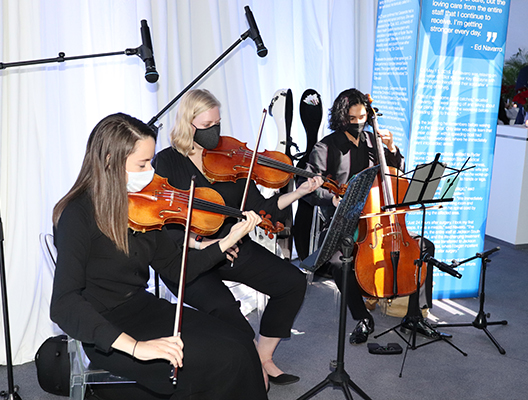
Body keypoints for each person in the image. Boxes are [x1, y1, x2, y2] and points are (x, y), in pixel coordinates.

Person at [50, 113, 268, 400]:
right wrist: (137, 347)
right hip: (110, 332)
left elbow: (176, 267)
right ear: (108, 160)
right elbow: (64, 304)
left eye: (150, 163)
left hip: (145, 309)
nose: (150, 173)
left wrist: (225, 241)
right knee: (222, 361)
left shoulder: (141, 207)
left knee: (240, 342)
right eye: (141, 164)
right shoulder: (78, 215)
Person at [152, 89, 323, 386]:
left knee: (292, 282)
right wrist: (204, 244)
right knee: (227, 310)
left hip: (231, 246)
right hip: (189, 256)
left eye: (218, 123)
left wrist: (297, 193)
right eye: (207, 126)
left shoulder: (228, 158)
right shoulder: (166, 162)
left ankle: (263, 356)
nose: (215, 132)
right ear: (187, 123)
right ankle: (247, 365)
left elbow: (260, 208)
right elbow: (162, 223)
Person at [297, 88, 442, 345]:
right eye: (352, 119)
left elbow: (395, 175)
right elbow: (307, 185)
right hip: (342, 222)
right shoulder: (326, 147)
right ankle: (362, 316)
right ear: (342, 119)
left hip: (379, 222)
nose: (359, 123)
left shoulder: (371, 141)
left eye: (363, 117)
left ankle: (414, 315)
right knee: (339, 262)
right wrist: (331, 198)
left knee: (423, 248)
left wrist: (391, 147)